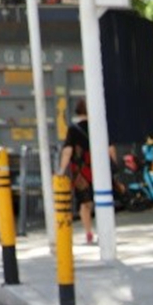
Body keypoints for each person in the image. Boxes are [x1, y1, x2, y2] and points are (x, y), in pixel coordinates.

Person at [57, 99, 93, 243]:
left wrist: (61, 170)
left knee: (84, 202)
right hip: (97, 169)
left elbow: (67, 151)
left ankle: (88, 232)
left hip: (81, 170)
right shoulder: (98, 126)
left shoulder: (73, 129)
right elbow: (110, 149)